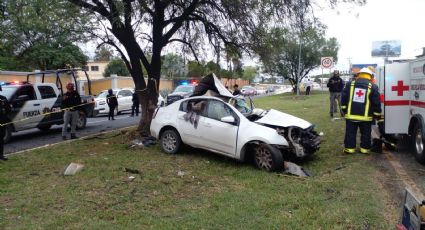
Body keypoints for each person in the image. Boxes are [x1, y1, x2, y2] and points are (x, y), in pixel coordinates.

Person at [341, 67, 381, 154]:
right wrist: (377, 114)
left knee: (350, 133)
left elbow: (343, 98)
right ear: (370, 76)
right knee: (366, 134)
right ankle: (365, 149)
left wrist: (344, 110)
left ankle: (349, 149)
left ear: (359, 75)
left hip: (351, 116)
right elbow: (376, 102)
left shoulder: (349, 84)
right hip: (366, 118)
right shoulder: (373, 86)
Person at [0, 85, 11, 161]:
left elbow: (8, 109)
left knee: (1, 139)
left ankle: (1, 155)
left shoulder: (3, 99)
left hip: (2, 123)